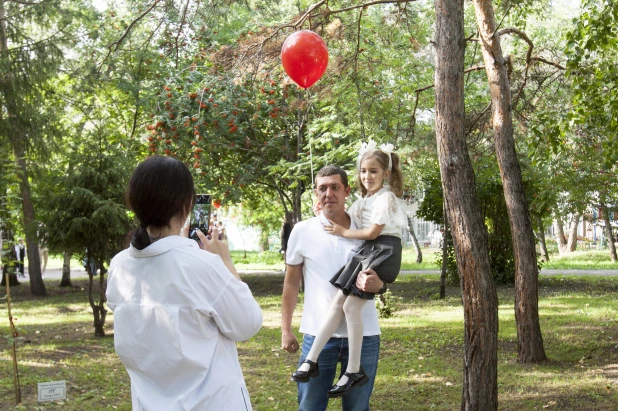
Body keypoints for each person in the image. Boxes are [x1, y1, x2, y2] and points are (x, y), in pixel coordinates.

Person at [107, 156, 263, 411]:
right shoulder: (201, 264)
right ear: (187, 203)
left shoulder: (120, 265)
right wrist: (226, 262)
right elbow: (248, 324)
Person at [291, 140, 407, 398]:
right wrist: (321, 208)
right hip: (370, 250)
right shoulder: (364, 200)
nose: (367, 176)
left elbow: (372, 232)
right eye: (364, 171)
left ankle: (353, 369)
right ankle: (310, 361)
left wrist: (343, 231)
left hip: (384, 250)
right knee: (338, 303)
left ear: (386, 174)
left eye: (374, 171)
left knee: (350, 306)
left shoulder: (386, 198)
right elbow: (342, 211)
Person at [281, 164, 387, 411]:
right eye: (322, 188)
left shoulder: (368, 228)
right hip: (318, 334)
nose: (329, 193)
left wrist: (379, 284)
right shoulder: (302, 230)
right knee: (310, 407)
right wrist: (285, 328)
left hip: (364, 336)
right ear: (316, 193)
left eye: (335, 187)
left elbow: (384, 273)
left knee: (358, 408)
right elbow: (291, 282)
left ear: (347, 190)